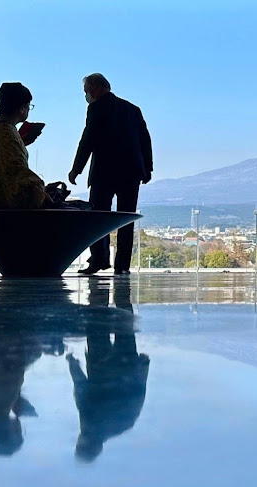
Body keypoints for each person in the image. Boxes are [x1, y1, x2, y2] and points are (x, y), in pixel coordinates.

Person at [69, 73, 153, 276]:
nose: (86, 96)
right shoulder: (133, 109)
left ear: (96, 88)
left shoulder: (96, 108)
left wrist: (76, 169)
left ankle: (98, 260)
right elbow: (145, 139)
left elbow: (87, 139)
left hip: (104, 173)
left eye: (86, 91)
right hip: (132, 172)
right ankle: (122, 265)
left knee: (98, 218)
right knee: (126, 218)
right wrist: (148, 168)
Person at [68, 277, 150, 462]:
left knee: (124, 326)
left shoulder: (123, 424)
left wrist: (143, 368)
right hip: (104, 367)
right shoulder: (93, 424)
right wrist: (73, 365)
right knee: (100, 324)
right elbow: (81, 390)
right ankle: (101, 290)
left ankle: (115, 293)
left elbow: (138, 394)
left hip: (124, 367)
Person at [0, 83, 47, 209]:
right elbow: (14, 172)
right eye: (28, 106)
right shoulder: (7, 134)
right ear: (22, 108)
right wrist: (38, 188)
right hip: (1, 210)